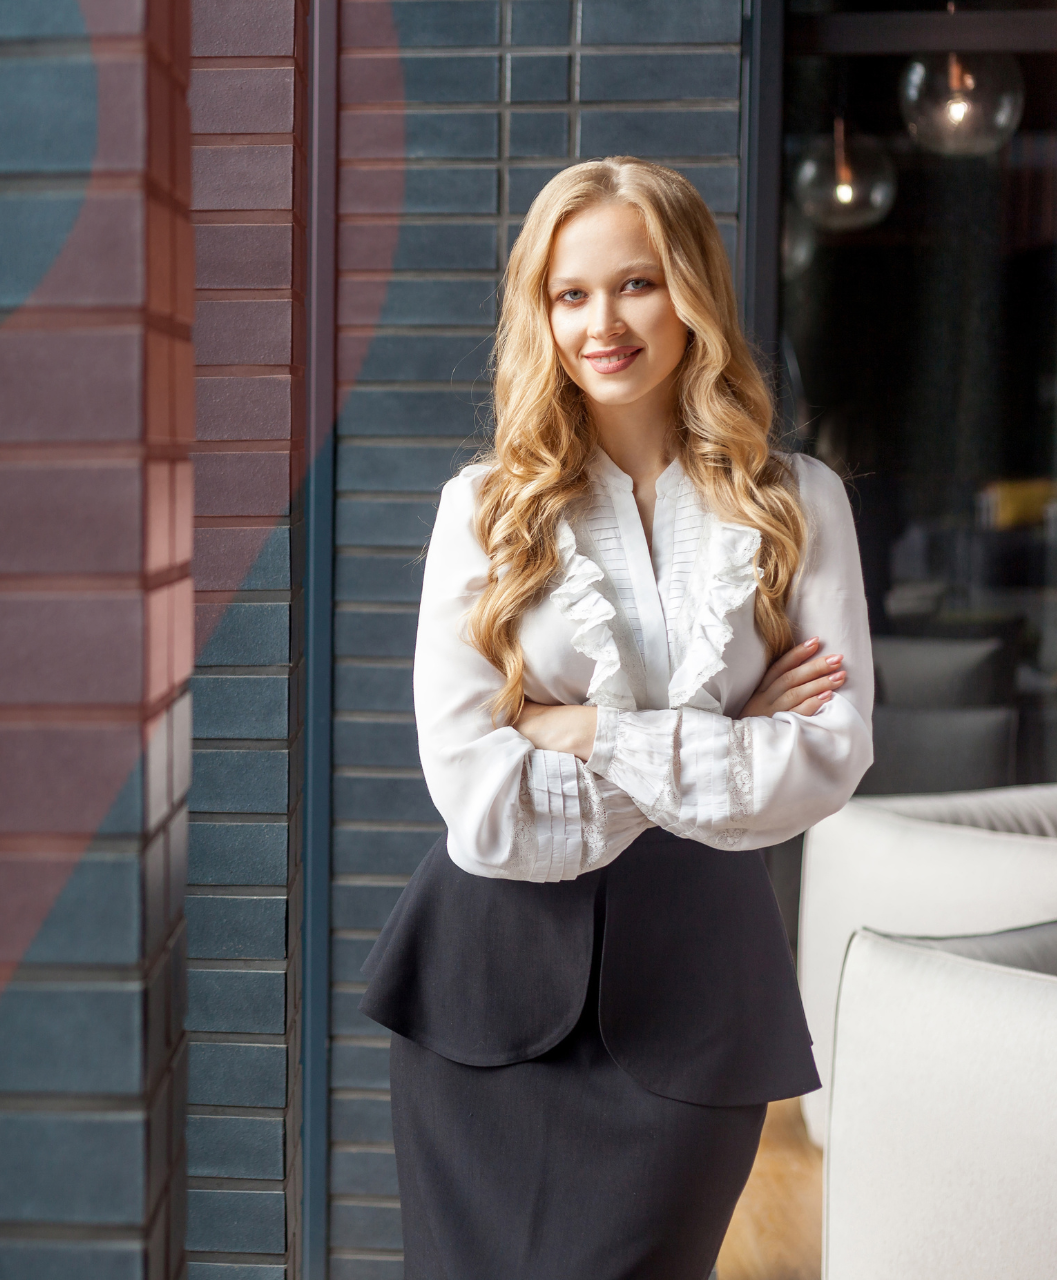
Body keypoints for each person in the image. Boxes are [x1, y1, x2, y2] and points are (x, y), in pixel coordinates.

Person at [358, 156, 874, 1279]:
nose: (604, 321)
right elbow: (480, 805)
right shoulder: (484, 512)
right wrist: (726, 748)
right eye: (569, 292)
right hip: (480, 998)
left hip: (697, 995)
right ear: (540, 313)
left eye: (636, 282)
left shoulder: (800, 505)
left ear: (692, 291)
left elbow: (826, 759)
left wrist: (585, 729)